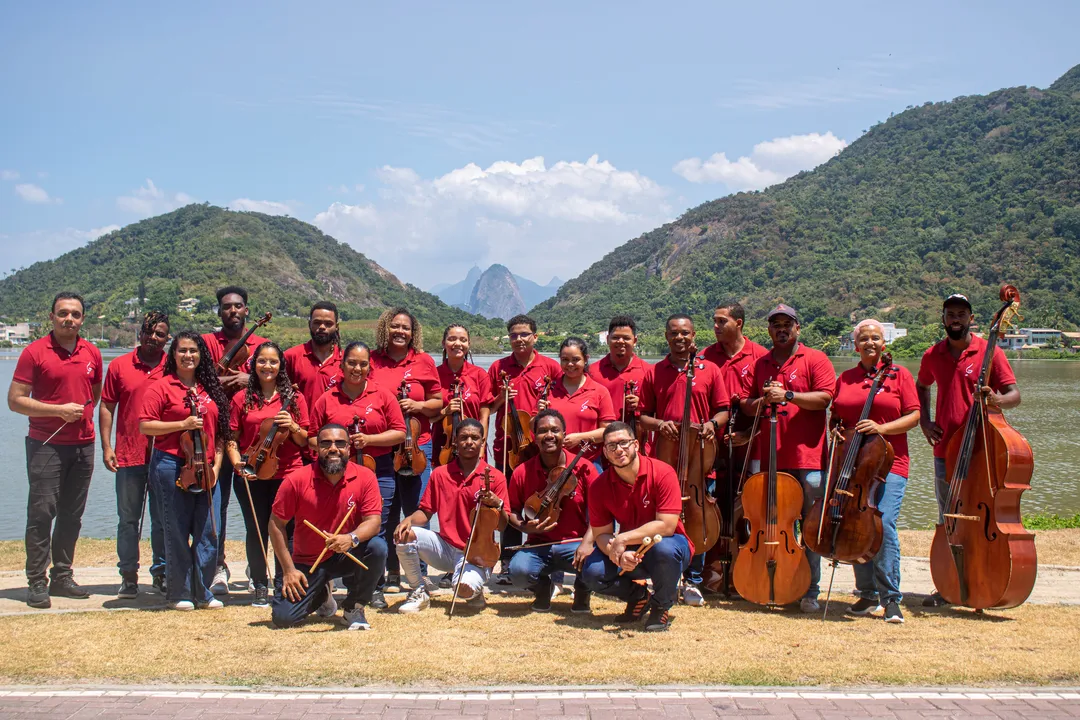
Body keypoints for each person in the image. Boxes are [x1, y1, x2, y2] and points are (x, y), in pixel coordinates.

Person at [916, 293, 1020, 608]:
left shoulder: (990, 351)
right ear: (943, 319)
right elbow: (922, 385)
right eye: (950, 314)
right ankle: (950, 584)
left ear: (971, 319)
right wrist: (925, 420)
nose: (955, 319)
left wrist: (995, 400)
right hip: (945, 451)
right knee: (949, 517)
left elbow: (1014, 395)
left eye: (961, 314)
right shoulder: (933, 354)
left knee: (985, 515)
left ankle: (985, 577)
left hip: (982, 450)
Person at [8, 292, 102, 608]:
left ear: (82, 319)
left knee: (72, 515)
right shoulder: (34, 352)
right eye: (63, 313)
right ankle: (37, 581)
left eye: (75, 314)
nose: (69, 319)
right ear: (52, 317)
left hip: (83, 445)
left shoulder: (92, 352)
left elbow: (94, 395)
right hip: (45, 444)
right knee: (41, 513)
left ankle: (62, 576)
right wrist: (58, 411)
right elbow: (15, 400)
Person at [743, 304, 835, 613]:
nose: (781, 329)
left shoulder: (816, 358)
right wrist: (762, 400)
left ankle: (810, 589)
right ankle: (778, 582)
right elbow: (746, 403)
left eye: (787, 324)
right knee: (771, 525)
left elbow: (825, 398)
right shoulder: (761, 363)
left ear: (798, 328)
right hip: (770, 457)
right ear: (769, 330)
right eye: (776, 325)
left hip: (808, 459)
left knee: (809, 526)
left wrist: (789, 396)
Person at [831, 320, 920, 624]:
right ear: (856, 345)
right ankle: (867, 594)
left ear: (884, 344)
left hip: (890, 464)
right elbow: (836, 416)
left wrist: (881, 428)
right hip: (854, 464)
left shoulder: (899, 375)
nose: (870, 342)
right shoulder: (846, 378)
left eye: (875, 338)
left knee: (883, 524)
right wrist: (836, 430)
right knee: (856, 522)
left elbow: (914, 416)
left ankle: (891, 598)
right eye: (864, 338)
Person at [638, 314, 729, 606]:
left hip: (698, 458)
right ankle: (664, 577)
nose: (680, 338)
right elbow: (642, 416)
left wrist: (712, 425)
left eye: (685, 333)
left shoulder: (710, 369)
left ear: (693, 336)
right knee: (661, 519)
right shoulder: (655, 372)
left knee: (697, 521)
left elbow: (723, 410)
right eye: (674, 333)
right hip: (665, 458)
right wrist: (659, 424)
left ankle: (694, 581)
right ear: (667, 336)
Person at [308, 340, 405, 608]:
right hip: (337, 473)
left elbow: (400, 432)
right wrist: (337, 446)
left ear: (369, 367)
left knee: (376, 527)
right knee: (345, 526)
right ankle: (352, 585)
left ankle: (374, 587)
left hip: (379, 470)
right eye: (351, 362)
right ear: (342, 364)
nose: (357, 368)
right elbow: (311, 438)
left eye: (363, 364)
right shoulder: (327, 398)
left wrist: (370, 439)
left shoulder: (382, 395)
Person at [138, 332, 230, 611]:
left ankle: (203, 591)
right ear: (173, 355)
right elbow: (145, 425)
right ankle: (179, 592)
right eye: (182, 351)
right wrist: (182, 424)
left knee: (209, 530)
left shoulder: (209, 387)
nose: (188, 356)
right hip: (171, 464)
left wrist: (216, 466)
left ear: (201, 355)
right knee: (176, 530)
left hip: (207, 465)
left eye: (193, 351)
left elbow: (221, 432)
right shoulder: (162, 387)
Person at [269, 424, 388, 631]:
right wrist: (288, 570)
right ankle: (322, 593)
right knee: (284, 619)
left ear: (349, 448)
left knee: (377, 548)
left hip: (346, 553)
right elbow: (276, 524)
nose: (333, 448)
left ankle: (354, 607)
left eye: (340, 443)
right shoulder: (296, 479)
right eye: (326, 443)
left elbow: (373, 522)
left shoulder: (365, 476)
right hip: (309, 560)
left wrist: (350, 538)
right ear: (316, 448)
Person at [580, 422, 693, 632]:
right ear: (605, 452)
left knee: (664, 549)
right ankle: (639, 597)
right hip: (630, 549)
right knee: (593, 572)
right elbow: (602, 534)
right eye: (612, 446)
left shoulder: (663, 472)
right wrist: (617, 554)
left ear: (636, 445)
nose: (619, 450)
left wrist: (622, 539)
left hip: (669, 545)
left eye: (624, 443)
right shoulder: (599, 487)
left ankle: (661, 606)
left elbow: (667, 525)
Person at [393, 419, 510, 613]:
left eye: (475, 438)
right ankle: (418, 592)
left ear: (483, 442)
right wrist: (408, 520)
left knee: (464, 590)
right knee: (404, 535)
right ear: (455, 441)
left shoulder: (495, 477)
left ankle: (474, 588)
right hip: (444, 547)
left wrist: (497, 504)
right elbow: (426, 513)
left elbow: (503, 526)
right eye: (464, 437)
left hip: (476, 553)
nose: (469, 442)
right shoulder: (440, 474)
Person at [226, 341, 310, 607]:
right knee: (256, 529)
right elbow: (231, 439)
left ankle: (283, 582)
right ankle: (260, 584)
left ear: (281, 366)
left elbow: (305, 440)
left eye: (273, 361)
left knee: (286, 530)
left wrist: (293, 426)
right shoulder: (241, 398)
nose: (267, 366)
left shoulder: (295, 399)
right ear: (254, 365)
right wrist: (238, 464)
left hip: (288, 474)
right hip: (252, 472)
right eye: (262, 361)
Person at [368, 308, 444, 596]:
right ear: (385, 328)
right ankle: (390, 572)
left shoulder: (424, 361)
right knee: (386, 511)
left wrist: (418, 406)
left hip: (416, 445)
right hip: (382, 446)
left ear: (414, 333)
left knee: (416, 510)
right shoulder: (372, 360)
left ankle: (419, 573)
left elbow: (438, 402)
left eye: (406, 327)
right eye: (395, 326)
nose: (400, 331)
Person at [201, 286, 269, 594]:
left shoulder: (261, 345)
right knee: (215, 504)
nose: (233, 311)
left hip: (249, 439)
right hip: (215, 435)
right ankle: (218, 566)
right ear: (219, 311)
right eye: (227, 306)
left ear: (246, 310)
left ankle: (257, 568)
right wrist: (228, 380)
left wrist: (248, 379)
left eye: (238, 306)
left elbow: (274, 379)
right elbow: (197, 376)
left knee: (255, 508)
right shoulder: (206, 343)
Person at [100, 310, 170, 599]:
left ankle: (162, 573)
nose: (153, 337)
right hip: (129, 455)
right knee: (128, 520)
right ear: (140, 333)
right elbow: (107, 406)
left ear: (167, 338)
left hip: (166, 456)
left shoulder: (174, 366)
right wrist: (106, 446)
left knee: (163, 519)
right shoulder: (119, 365)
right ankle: (128, 576)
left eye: (160, 333)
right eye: (148, 331)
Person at [487, 314, 562, 581]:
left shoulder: (550, 367)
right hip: (508, 450)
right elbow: (488, 407)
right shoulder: (498, 367)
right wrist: (501, 397)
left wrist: (549, 406)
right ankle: (508, 561)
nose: (519, 339)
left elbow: (563, 401)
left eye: (524, 334)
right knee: (509, 505)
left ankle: (545, 559)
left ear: (535, 337)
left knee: (545, 502)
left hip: (541, 449)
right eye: (514, 335)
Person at [506, 409, 597, 613]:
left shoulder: (585, 468)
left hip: (574, 544)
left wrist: (587, 542)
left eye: (555, 430)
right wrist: (524, 527)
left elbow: (601, 514)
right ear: (534, 436)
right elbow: (511, 511)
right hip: (538, 545)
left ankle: (582, 592)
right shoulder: (522, 471)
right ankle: (542, 590)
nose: (549, 435)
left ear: (564, 434)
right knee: (518, 572)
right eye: (542, 431)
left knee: (597, 568)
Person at [538, 337, 615, 471]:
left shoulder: (599, 391)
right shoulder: (548, 389)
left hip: (588, 462)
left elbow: (607, 431)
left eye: (575, 359)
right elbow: (533, 427)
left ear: (586, 359)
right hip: (553, 463)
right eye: (565, 359)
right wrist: (539, 415)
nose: (570, 364)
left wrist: (580, 438)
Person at [433, 323, 493, 467]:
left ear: (469, 344)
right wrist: (445, 411)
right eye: (452, 339)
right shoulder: (434, 375)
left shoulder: (480, 375)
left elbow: (484, 416)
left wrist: (482, 446)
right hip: (443, 447)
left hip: (474, 446)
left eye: (463, 340)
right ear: (443, 343)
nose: (458, 343)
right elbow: (428, 418)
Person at [587, 316, 652, 438]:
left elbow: (660, 410)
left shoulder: (649, 371)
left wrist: (642, 404)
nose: (621, 341)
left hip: (637, 440)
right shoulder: (591, 372)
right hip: (602, 441)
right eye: (616, 337)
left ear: (635, 340)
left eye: (626, 338)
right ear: (607, 339)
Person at [283, 301, 342, 424]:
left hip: (334, 431)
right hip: (298, 430)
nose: (322, 327)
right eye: (317, 322)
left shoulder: (346, 360)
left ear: (336, 326)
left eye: (328, 323)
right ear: (309, 324)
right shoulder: (291, 356)